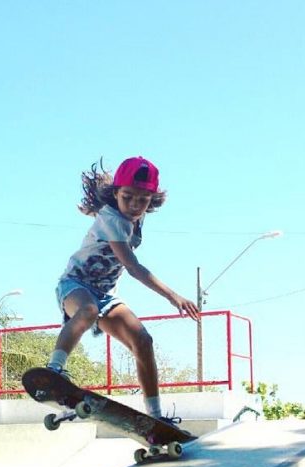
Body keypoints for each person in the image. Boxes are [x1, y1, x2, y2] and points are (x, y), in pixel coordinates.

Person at [47, 155, 199, 420]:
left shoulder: (136, 218)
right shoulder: (112, 219)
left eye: (143, 199)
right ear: (116, 193)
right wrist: (173, 296)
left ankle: (155, 415)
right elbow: (133, 267)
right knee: (88, 310)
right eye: (127, 197)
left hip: (106, 296)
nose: (134, 205)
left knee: (143, 340)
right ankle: (54, 371)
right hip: (75, 284)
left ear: (152, 199)